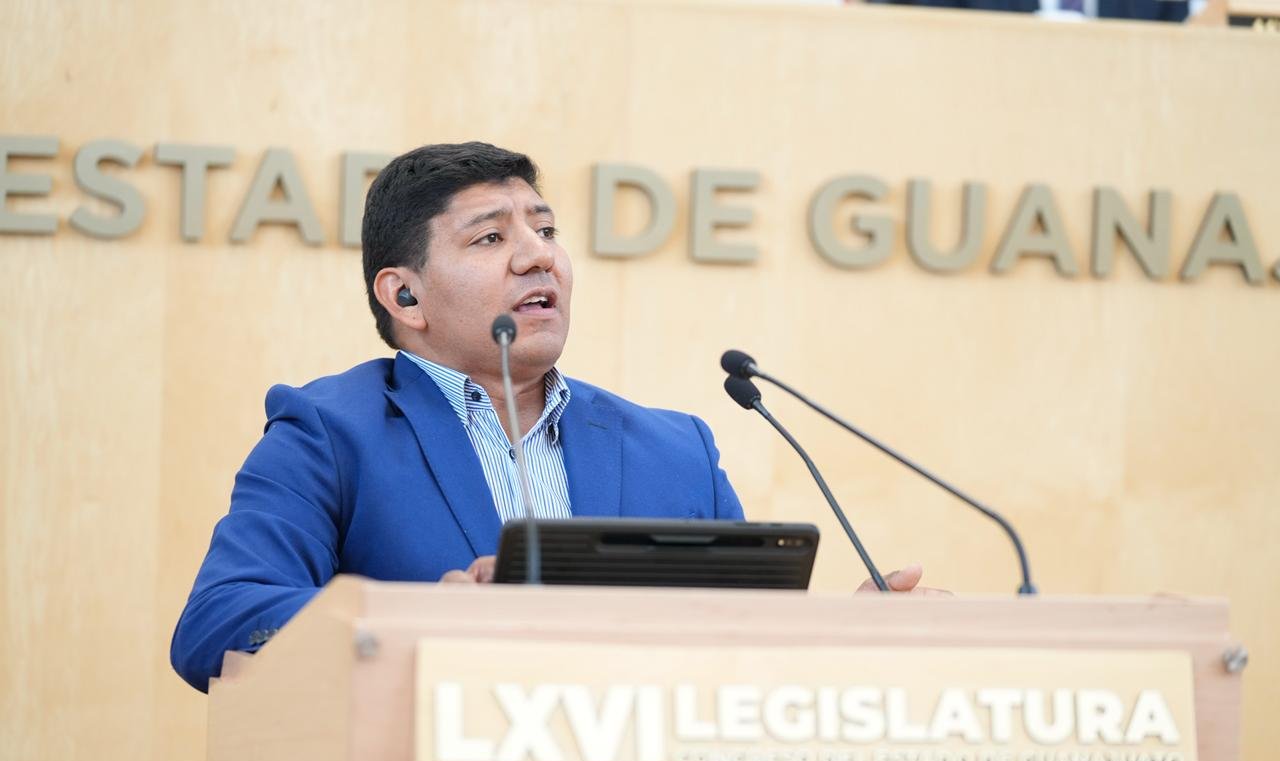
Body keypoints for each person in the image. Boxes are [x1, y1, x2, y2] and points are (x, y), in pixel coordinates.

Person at [170, 142, 929, 694]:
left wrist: (846, 639)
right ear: (404, 296)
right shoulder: (330, 432)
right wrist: (420, 620)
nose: (539, 257)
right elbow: (218, 623)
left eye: (546, 231)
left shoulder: (675, 450)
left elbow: (744, 655)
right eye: (491, 237)